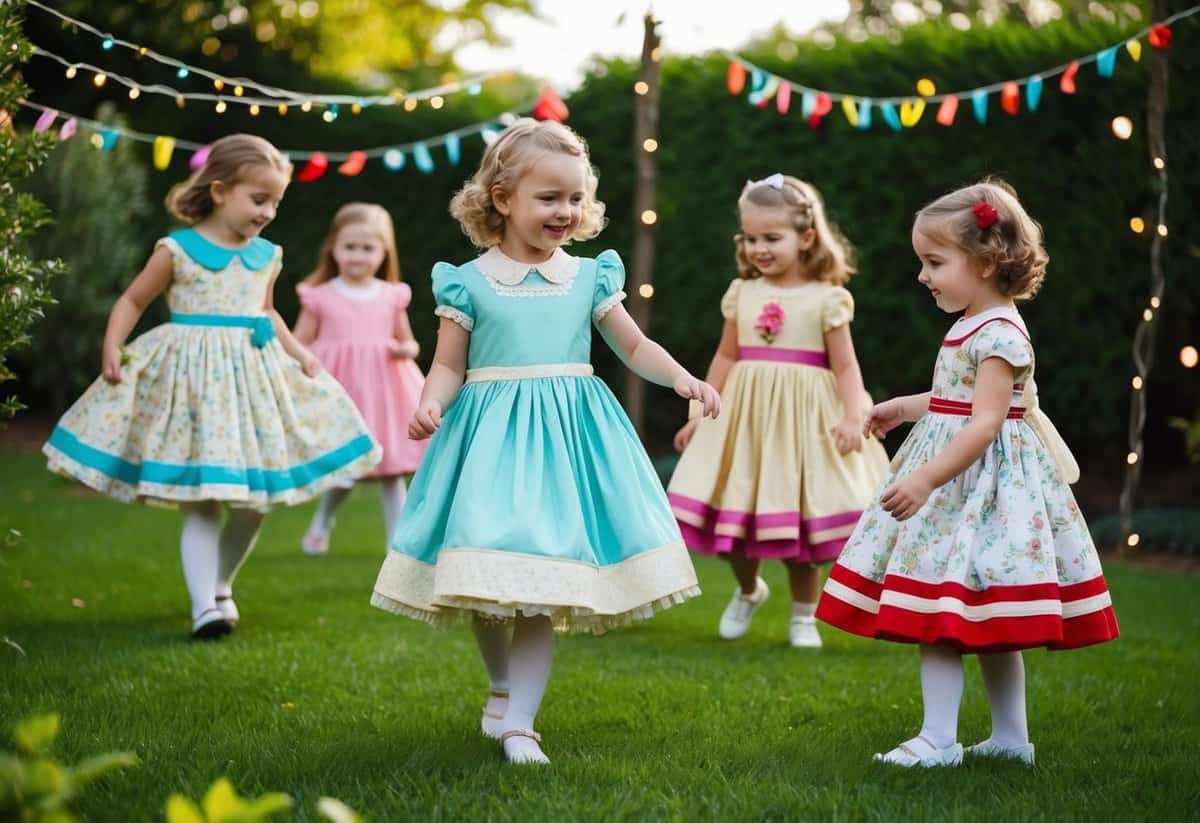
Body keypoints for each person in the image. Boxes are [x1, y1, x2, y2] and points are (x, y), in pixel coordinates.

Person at [369, 118, 720, 764]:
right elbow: (449, 364)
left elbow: (632, 344)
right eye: (550, 197)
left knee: (537, 585)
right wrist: (428, 401)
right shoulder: (468, 282)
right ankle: (501, 685)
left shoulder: (588, 277)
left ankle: (521, 724)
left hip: (567, 445)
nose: (566, 211)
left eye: (575, 198)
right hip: (489, 445)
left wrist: (682, 378)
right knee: (487, 576)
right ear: (503, 199)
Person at [816, 179, 1119, 766]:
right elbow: (957, 399)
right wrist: (906, 407)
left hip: (978, 487)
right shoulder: (976, 324)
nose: (923, 276)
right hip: (965, 481)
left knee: (940, 614)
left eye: (934, 262)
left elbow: (985, 424)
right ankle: (1008, 742)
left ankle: (939, 740)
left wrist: (926, 477)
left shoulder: (1002, 333)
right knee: (981, 617)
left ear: (984, 262)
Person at [43, 134, 380, 639]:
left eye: (275, 203)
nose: (268, 212)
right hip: (193, 387)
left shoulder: (267, 255)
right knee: (202, 500)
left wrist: (300, 353)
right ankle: (204, 608)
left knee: (255, 503)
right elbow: (134, 300)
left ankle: (221, 585)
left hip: (250, 385)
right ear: (220, 191)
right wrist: (113, 345)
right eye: (259, 199)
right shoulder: (177, 250)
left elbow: (265, 311)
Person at [668, 173, 888, 648]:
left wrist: (853, 417)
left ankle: (803, 616)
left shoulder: (827, 299)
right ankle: (749, 589)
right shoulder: (741, 293)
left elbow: (846, 365)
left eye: (772, 237)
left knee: (799, 524)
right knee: (734, 518)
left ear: (806, 237)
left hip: (802, 426)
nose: (759, 248)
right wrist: (695, 414)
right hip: (744, 423)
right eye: (750, 238)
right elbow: (725, 356)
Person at [293, 203, 427, 553]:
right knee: (346, 471)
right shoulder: (319, 296)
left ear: (383, 252)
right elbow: (298, 342)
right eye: (349, 247)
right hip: (341, 393)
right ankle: (322, 522)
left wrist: (406, 350)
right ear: (333, 248)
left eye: (368, 248)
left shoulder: (391, 295)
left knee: (392, 471)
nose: (358, 256)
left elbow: (409, 340)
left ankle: (397, 545)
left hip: (385, 394)